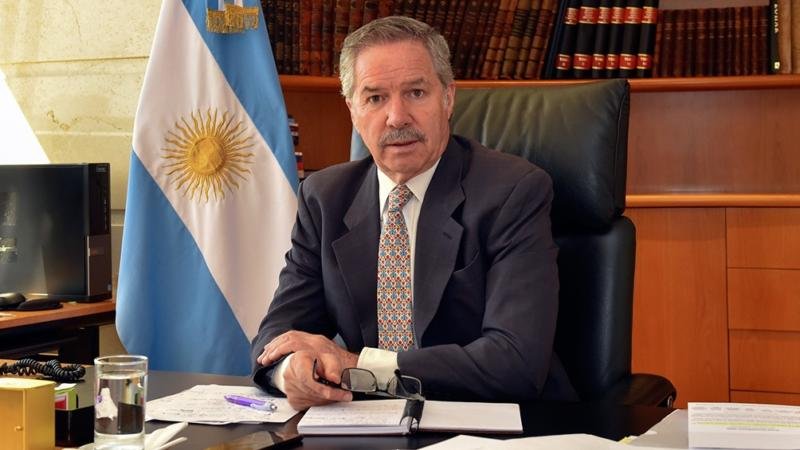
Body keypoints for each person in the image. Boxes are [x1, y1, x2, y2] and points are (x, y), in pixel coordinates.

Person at [251, 15, 577, 410]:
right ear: (352, 110)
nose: (397, 117)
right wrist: (293, 370)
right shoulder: (325, 198)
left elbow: (515, 361)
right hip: (366, 422)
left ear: (448, 98)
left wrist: (361, 366)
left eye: (416, 92)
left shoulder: (512, 191)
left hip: (491, 422)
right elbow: (277, 338)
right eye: (375, 98)